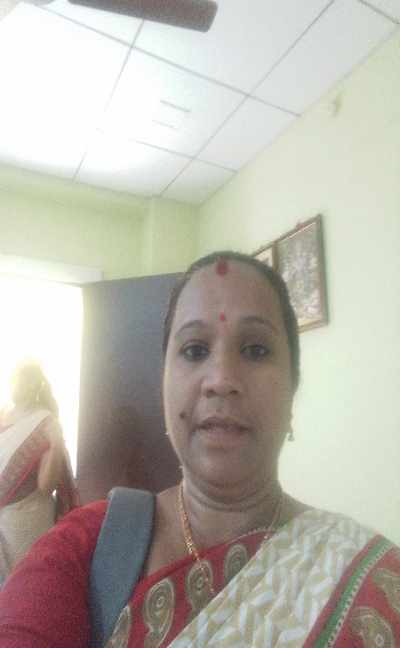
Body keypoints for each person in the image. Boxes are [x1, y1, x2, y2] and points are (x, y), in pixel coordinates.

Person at [0, 251, 399, 646]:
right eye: (194, 350)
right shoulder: (83, 548)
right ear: (164, 386)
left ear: (293, 387)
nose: (221, 379)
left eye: (256, 349)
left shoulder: (371, 576)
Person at [0, 361, 78, 586]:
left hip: (26, 520)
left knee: (25, 585)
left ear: (33, 384)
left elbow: (46, 485)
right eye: (13, 379)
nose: (14, 385)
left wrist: (56, 444)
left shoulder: (45, 422)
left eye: (20, 380)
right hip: (5, 517)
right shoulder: (3, 414)